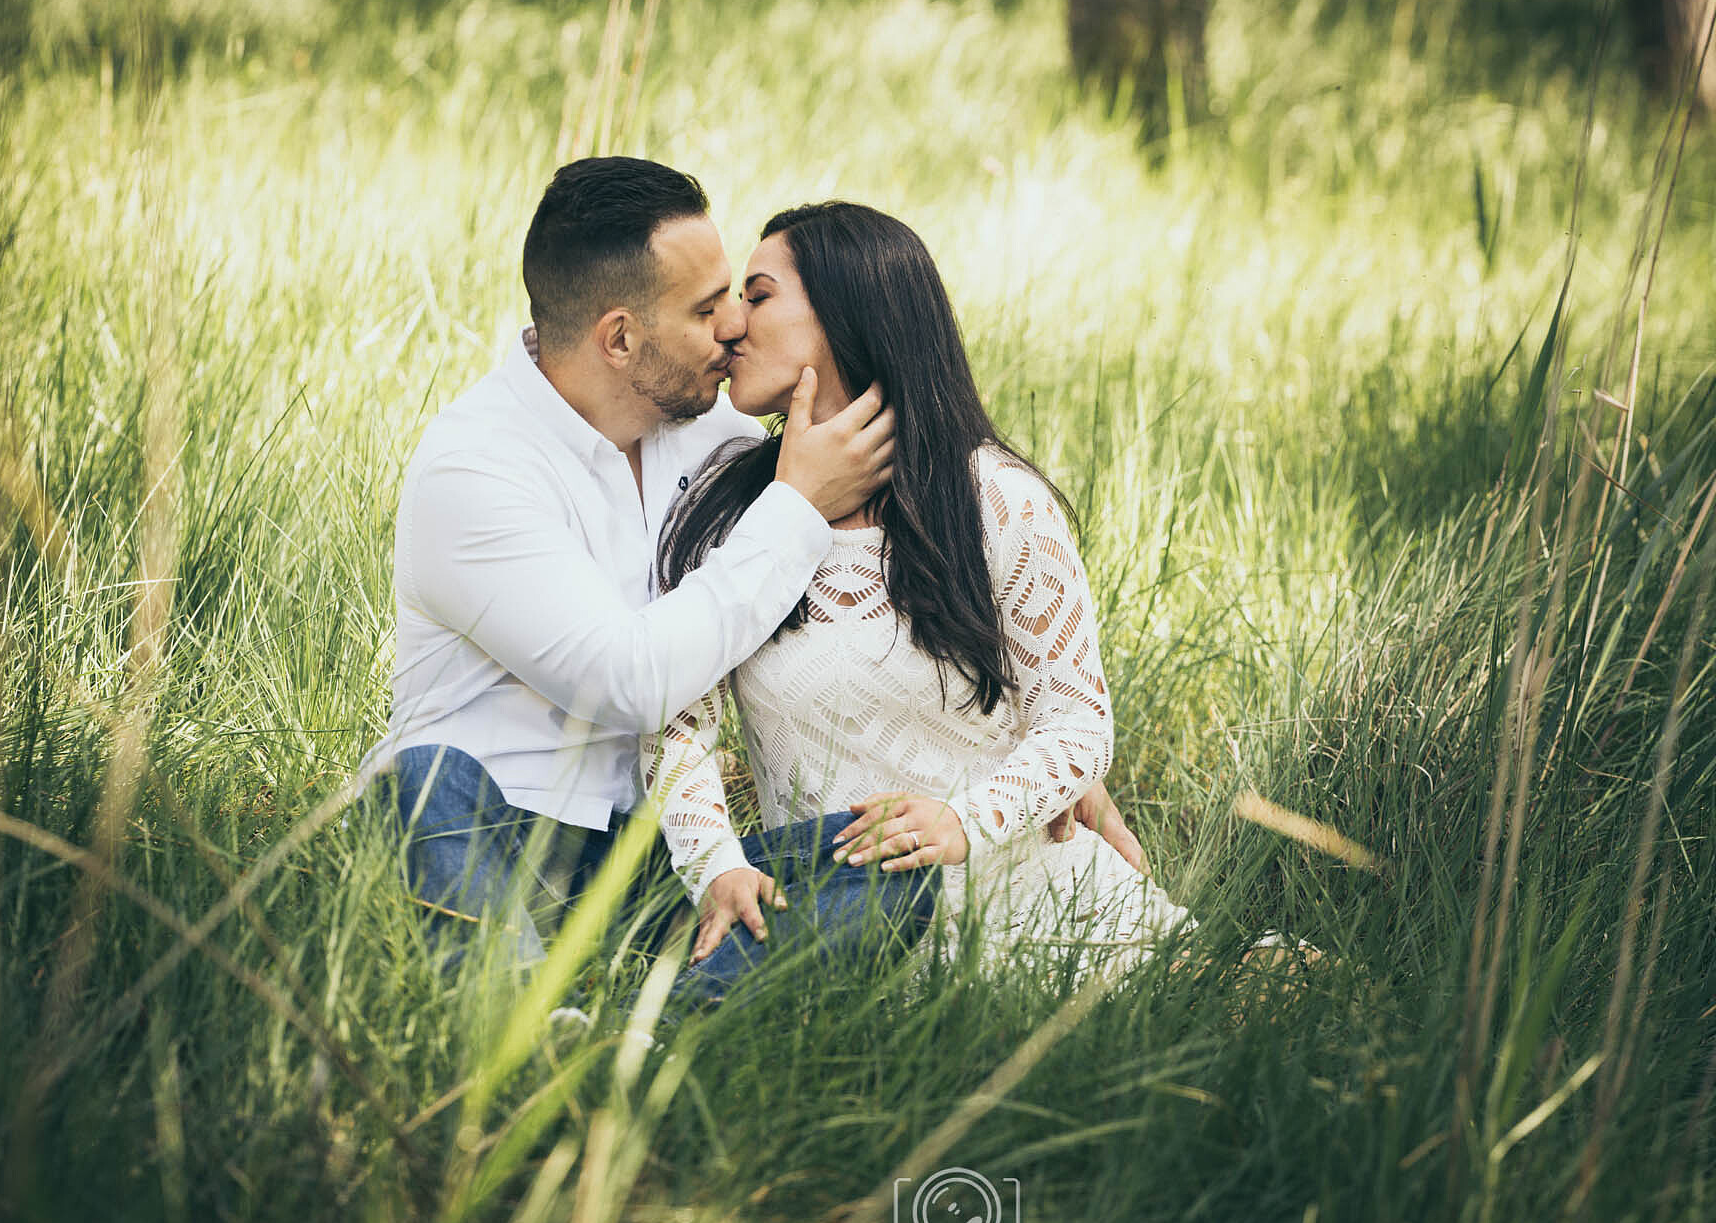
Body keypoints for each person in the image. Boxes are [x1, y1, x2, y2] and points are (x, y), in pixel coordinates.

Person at [642, 201, 1207, 1001]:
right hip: (835, 921)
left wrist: (963, 820)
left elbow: (1078, 720)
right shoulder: (726, 512)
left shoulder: (997, 502)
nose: (731, 324)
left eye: (759, 294)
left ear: (848, 309)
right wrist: (719, 868)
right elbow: (674, 725)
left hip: (1035, 896)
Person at [358, 158, 899, 966]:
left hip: (652, 857)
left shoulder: (716, 438)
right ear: (620, 337)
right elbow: (630, 682)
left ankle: (648, 1031)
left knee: (886, 865)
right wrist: (793, 508)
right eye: (707, 306)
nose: (734, 328)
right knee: (426, 782)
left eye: (736, 297)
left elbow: (879, 583)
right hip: (494, 832)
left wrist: (1025, 739)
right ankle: (522, 1037)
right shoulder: (474, 468)